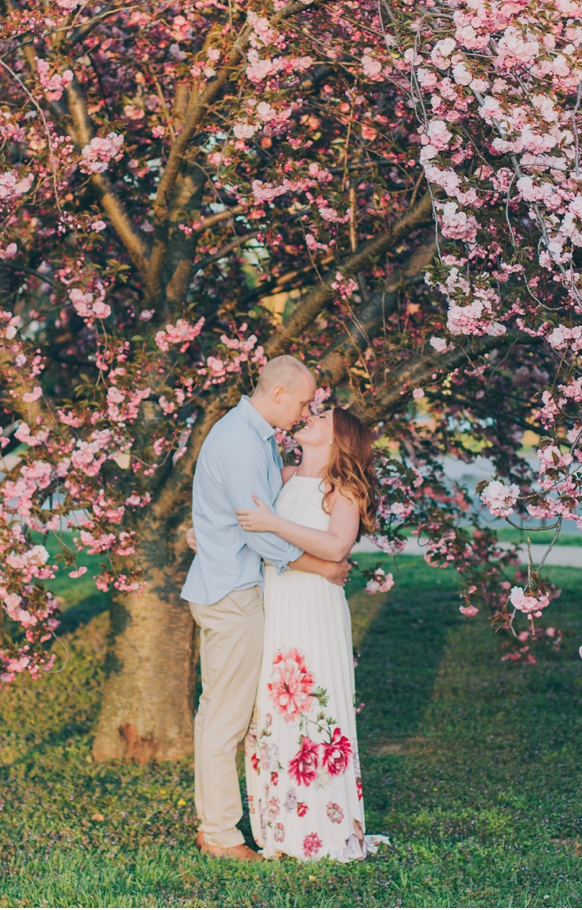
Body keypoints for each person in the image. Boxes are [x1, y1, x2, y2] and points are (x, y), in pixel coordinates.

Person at [181, 355, 352, 862]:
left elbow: (250, 519)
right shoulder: (239, 441)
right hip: (231, 595)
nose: (305, 411)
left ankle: (231, 823)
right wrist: (319, 568)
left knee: (223, 713)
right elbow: (261, 531)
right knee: (224, 719)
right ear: (279, 394)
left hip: (231, 586)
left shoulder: (254, 438)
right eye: (302, 402)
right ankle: (220, 834)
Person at [236, 405, 384, 862]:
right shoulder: (282, 476)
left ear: (338, 438)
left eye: (322, 417)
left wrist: (275, 525)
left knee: (314, 708)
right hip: (277, 602)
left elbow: (338, 546)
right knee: (272, 711)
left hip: (314, 607)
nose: (311, 417)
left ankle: (323, 827)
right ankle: (278, 827)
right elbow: (255, 540)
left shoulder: (342, 489)